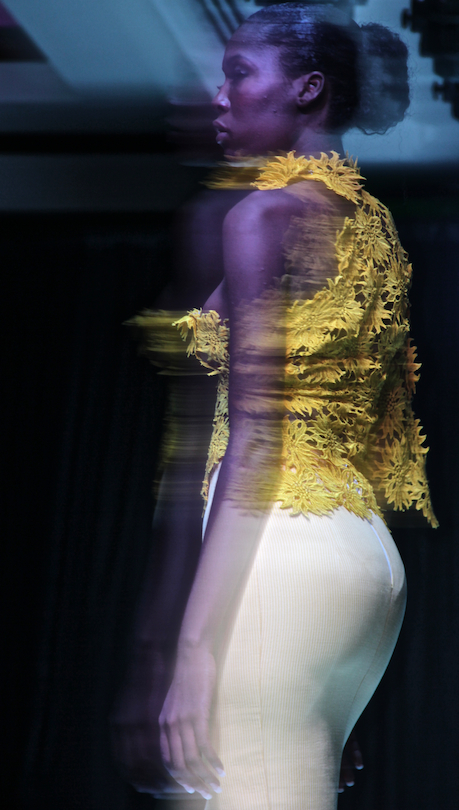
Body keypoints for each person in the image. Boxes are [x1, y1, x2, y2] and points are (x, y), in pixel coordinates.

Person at [115, 5, 437, 809]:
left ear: (307, 89)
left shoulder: (262, 217)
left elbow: (257, 437)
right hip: (360, 568)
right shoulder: (373, 227)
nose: (219, 95)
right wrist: (314, 679)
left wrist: (195, 650)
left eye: (237, 74)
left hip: (279, 549)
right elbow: (375, 427)